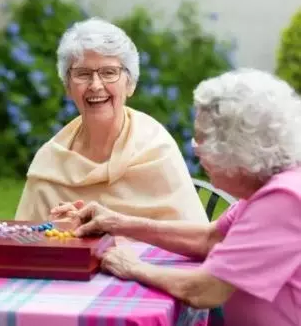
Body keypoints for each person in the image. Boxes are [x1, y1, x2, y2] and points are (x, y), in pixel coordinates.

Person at [65, 69, 301, 326]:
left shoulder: (285, 199)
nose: (197, 153)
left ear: (238, 150)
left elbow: (205, 290)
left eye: (200, 142)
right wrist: (115, 222)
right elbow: (210, 238)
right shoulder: (269, 187)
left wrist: (135, 268)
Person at [15, 17, 207, 223]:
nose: (96, 85)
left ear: (130, 84)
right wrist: (62, 233)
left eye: (109, 72)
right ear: (68, 87)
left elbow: (188, 239)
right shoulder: (51, 161)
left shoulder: (155, 148)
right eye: (83, 73)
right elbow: (26, 243)